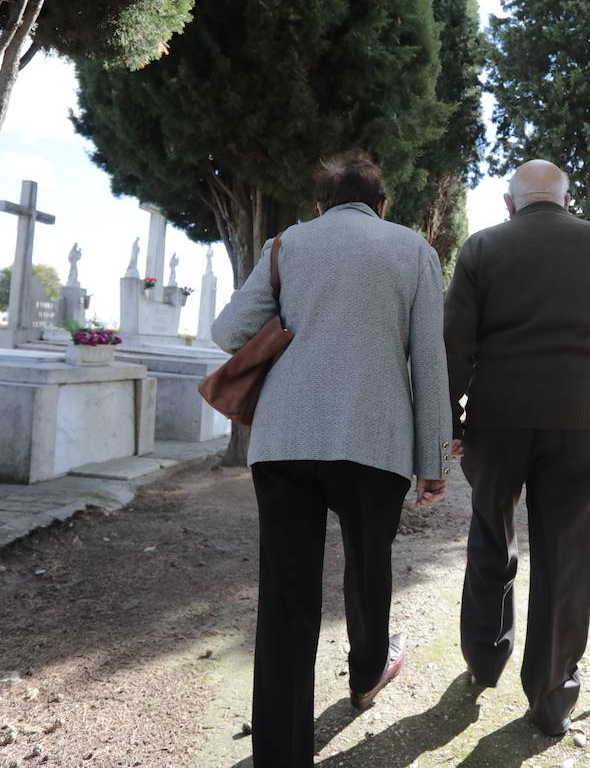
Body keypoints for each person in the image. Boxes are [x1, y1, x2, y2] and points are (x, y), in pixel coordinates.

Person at [213, 151, 453, 767]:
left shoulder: (288, 244)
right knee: (368, 566)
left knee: (286, 594)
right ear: (382, 204)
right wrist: (433, 461)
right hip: (375, 443)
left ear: (321, 204)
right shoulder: (413, 251)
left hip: (284, 441)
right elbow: (430, 363)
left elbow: (227, 331)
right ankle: (368, 673)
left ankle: (280, 753)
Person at [443, 159, 590, 735]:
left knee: (491, 533)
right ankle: (551, 695)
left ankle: (484, 659)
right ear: (565, 199)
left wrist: (449, 421)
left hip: (498, 419)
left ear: (510, 204)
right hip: (582, 423)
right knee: (567, 558)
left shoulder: (481, 249)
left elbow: (454, 345)